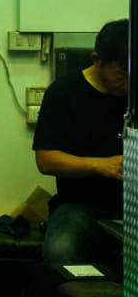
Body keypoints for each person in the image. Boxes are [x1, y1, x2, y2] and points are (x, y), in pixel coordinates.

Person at [32, 18, 127, 263]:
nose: (128, 83)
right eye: (122, 74)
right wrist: (100, 165)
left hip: (131, 205)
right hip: (80, 204)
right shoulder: (64, 92)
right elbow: (46, 160)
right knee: (61, 250)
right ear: (97, 60)